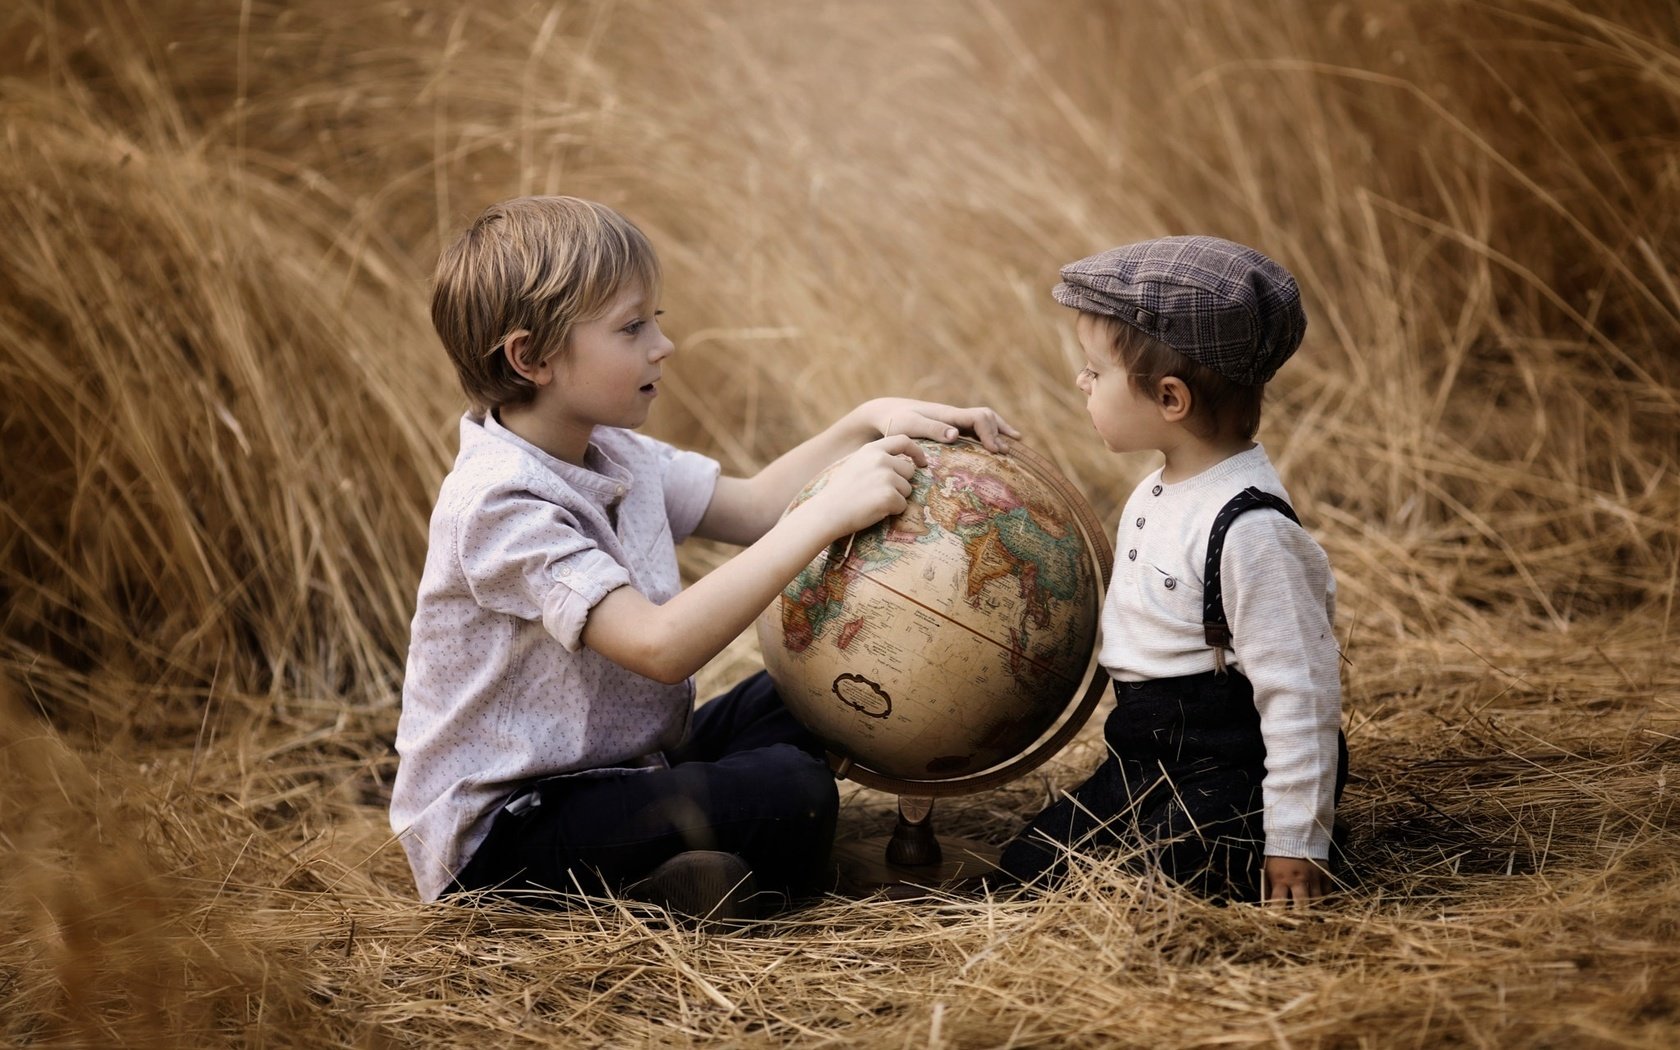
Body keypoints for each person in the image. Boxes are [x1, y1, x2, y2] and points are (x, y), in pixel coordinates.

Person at [389, 195, 1018, 923]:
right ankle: (672, 883)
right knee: (791, 791)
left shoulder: (611, 447)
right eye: (632, 327)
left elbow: (752, 507)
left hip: (628, 769)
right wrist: (823, 516)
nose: (663, 344)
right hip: (510, 834)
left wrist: (869, 420)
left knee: (816, 686)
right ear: (531, 358)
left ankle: (682, 873)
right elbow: (656, 647)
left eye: (658, 319)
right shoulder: (500, 504)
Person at [998, 235, 1348, 906]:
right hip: (1143, 762)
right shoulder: (1162, 488)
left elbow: (1300, 695)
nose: (1082, 382)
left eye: (1095, 372)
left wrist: (1296, 843)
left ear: (1169, 399)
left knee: (1154, 885)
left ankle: (1255, 851)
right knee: (1031, 869)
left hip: (1226, 768)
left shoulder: (1249, 531)